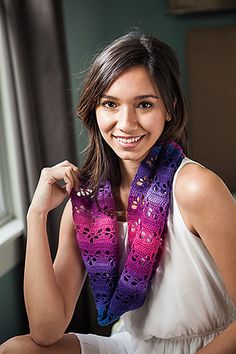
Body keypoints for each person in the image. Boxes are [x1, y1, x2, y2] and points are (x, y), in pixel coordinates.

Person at [0, 31, 235, 354]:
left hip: (209, 346)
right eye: (110, 104)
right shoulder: (85, 204)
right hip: (135, 347)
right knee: (17, 350)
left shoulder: (197, 187)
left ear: (170, 108)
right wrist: (36, 214)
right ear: (94, 111)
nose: (126, 123)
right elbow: (45, 330)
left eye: (144, 104)